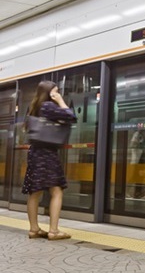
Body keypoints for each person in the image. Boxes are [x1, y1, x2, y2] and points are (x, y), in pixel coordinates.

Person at [22, 81, 77, 241]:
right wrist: (60, 101)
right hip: (47, 153)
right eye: (56, 91)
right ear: (50, 92)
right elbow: (71, 116)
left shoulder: (35, 107)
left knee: (35, 192)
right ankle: (53, 231)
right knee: (56, 190)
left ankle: (34, 229)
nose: (58, 93)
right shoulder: (49, 106)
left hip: (35, 153)